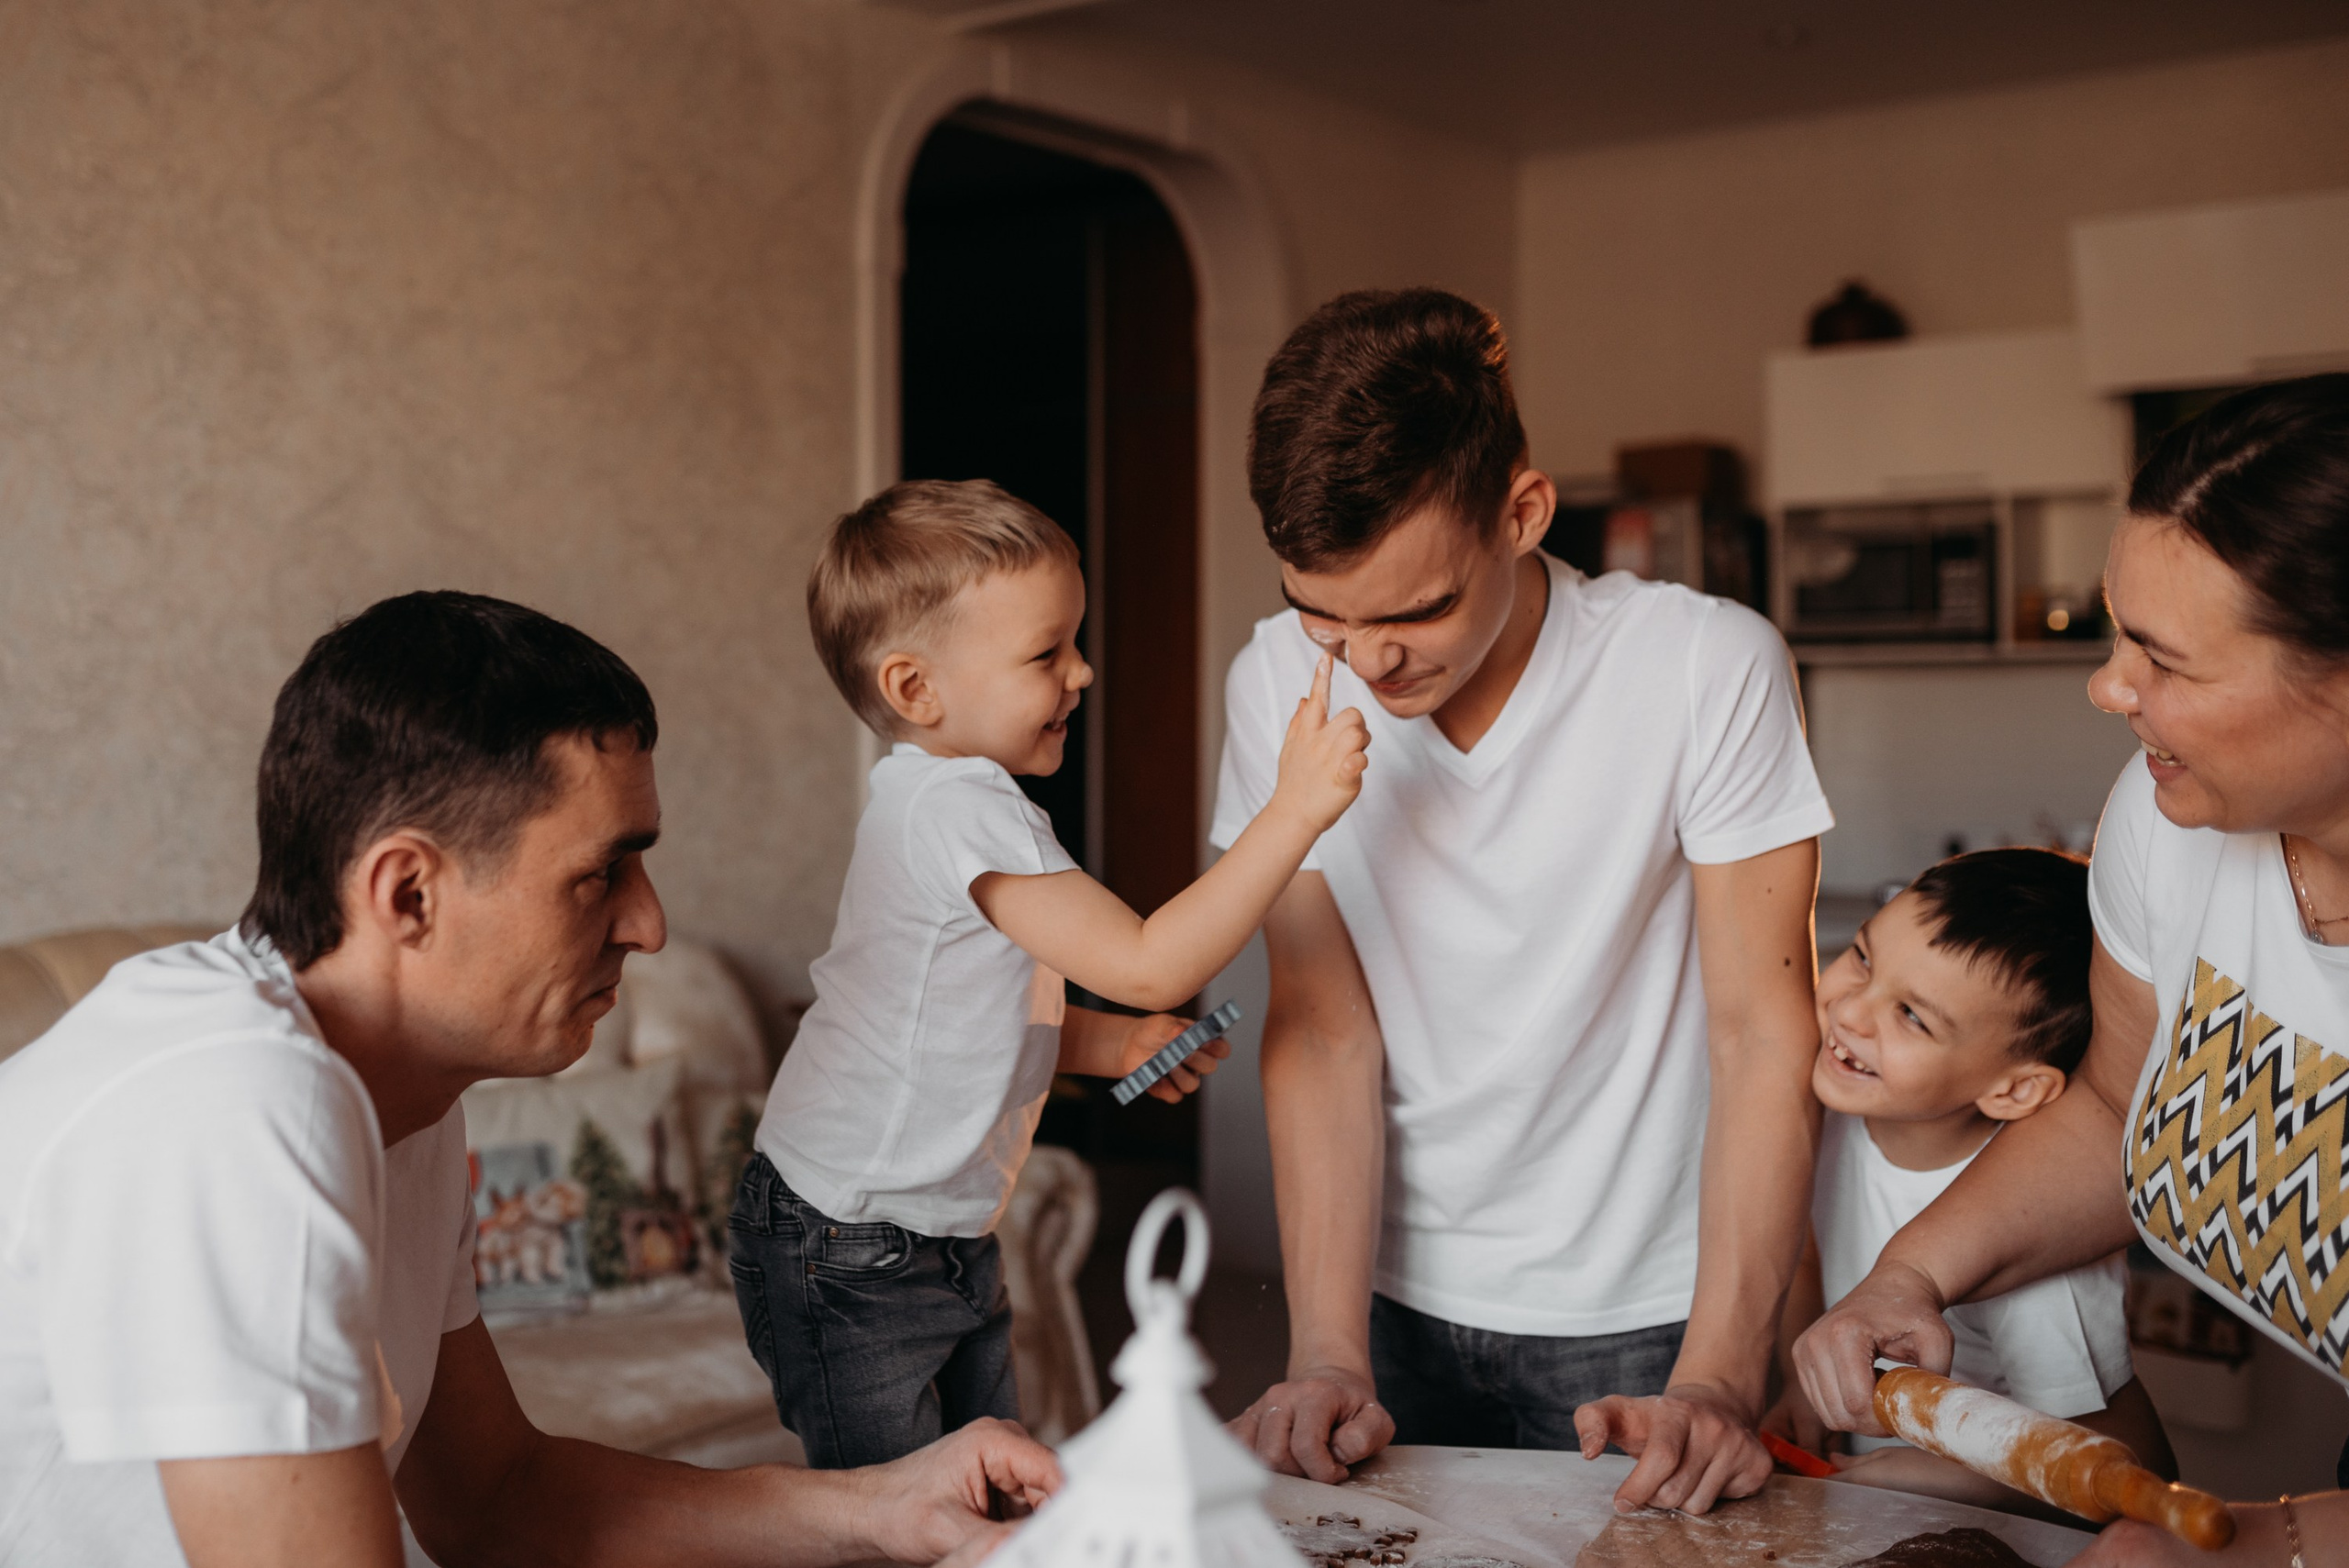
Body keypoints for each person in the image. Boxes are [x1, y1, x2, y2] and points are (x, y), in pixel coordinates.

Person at [0, 591, 1060, 1568]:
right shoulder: (232, 1102)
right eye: (601, 872)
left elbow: (497, 1495)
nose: (647, 924)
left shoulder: (401, 1095)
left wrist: (880, 1504)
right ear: (407, 890)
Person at [1216, 289, 1831, 1516]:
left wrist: (1718, 1369)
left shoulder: (1705, 665)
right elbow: (1325, 1027)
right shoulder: (1276, 681)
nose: (1368, 660)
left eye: (1417, 610)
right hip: (1388, 1306)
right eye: (1322, 612)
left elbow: (1762, 1031)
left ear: (1524, 511)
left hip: (1657, 1316)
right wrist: (1325, 1351)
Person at [1795, 374, 2349, 1565]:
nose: (2109, 688)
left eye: (2165, 659)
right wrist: (1909, 1276)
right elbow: (2116, 1103)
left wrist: (2272, 1540)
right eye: (2115, 631)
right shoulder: (2171, 825)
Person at [740, 479, 1370, 1467]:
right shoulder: (959, 805)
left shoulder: (942, 802)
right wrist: (1293, 809)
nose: (1081, 671)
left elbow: (968, 1013)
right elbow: (1150, 958)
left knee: (981, 1481)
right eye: (1046, 652)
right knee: (894, 1516)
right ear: (915, 688)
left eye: (1075, 640)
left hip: (923, 1230)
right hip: (854, 1240)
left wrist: (1111, 1042)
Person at [1765, 848, 2174, 1516]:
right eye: (1865, 957)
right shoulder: (1838, 1120)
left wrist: (1950, 1476)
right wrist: (1800, 1383)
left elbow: (2134, 1465)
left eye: (1913, 1016)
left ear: (2013, 1089)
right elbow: (1807, 1252)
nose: (1851, 1011)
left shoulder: (2033, 1232)